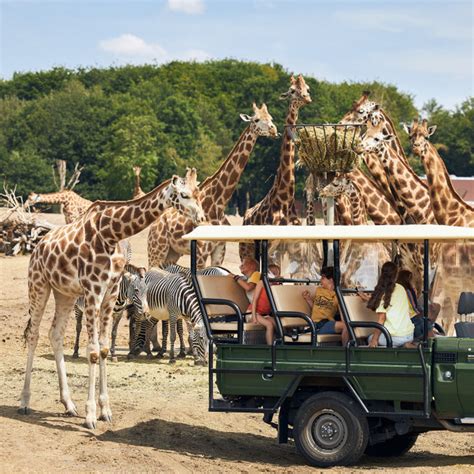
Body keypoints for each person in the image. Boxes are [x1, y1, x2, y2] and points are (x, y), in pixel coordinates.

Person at [358, 262, 414, 347]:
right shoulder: (401, 288)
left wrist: (374, 340)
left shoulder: (383, 292)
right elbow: (389, 301)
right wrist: (367, 298)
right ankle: (405, 345)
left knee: (370, 338)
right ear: (396, 275)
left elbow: (381, 319)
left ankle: (399, 345)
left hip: (395, 337)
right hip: (409, 335)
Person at [302, 266, 348, 343]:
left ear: (331, 280)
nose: (320, 280)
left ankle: (346, 349)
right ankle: (345, 351)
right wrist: (308, 299)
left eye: (323, 278)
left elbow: (342, 314)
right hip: (316, 324)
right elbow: (317, 307)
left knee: (347, 326)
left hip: (327, 323)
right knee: (346, 327)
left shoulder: (337, 295)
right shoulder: (319, 290)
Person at [397, 269, 435, 339]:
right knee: (425, 320)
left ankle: (430, 333)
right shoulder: (407, 291)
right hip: (411, 318)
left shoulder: (399, 291)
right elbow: (414, 307)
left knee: (426, 319)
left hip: (406, 318)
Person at [250, 264, 281, 345]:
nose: (275, 275)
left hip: (265, 315)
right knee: (269, 325)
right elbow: (255, 300)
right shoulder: (261, 283)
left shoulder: (276, 286)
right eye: (273, 273)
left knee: (279, 325)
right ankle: (270, 349)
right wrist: (253, 317)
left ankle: (278, 345)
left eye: (277, 273)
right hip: (253, 313)